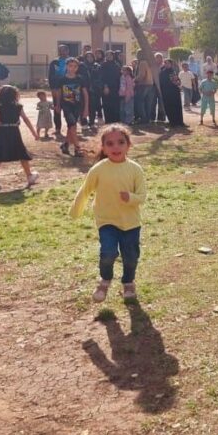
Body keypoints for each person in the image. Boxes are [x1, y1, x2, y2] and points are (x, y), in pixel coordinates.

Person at [69, 124, 147, 302]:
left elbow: (142, 196)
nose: (115, 147)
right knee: (108, 253)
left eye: (121, 142)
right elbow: (85, 190)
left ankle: (128, 283)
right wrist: (75, 211)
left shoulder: (135, 169)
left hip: (130, 222)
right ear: (103, 148)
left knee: (131, 257)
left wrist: (131, 197)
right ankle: (105, 281)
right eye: (110, 144)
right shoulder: (99, 169)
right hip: (106, 221)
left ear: (128, 145)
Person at [0, 84, 39, 192]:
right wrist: (34, 133)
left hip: (2, 132)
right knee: (22, 153)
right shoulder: (18, 106)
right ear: (14, 95)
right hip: (14, 131)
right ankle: (29, 176)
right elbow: (26, 119)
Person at [58, 58, 89, 157]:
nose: (72, 68)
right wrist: (57, 105)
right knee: (72, 125)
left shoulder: (80, 79)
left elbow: (85, 94)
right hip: (66, 105)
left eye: (75, 66)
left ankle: (66, 144)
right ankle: (77, 148)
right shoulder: (62, 79)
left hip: (77, 106)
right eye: (70, 66)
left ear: (77, 68)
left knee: (71, 126)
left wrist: (86, 108)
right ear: (66, 66)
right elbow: (59, 93)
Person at [48, 44, 70, 136]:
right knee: (57, 108)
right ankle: (57, 128)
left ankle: (71, 127)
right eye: (60, 50)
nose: (62, 52)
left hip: (68, 89)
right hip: (57, 88)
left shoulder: (72, 61)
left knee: (69, 108)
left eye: (64, 50)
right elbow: (50, 76)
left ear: (67, 51)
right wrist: (52, 88)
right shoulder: (54, 62)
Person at [158, 58, 185, 128]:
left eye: (168, 63)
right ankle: (172, 122)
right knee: (169, 107)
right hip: (167, 93)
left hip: (175, 92)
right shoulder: (162, 72)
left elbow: (177, 80)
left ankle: (180, 122)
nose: (166, 64)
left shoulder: (174, 71)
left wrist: (178, 83)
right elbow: (162, 83)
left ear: (171, 64)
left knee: (177, 106)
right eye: (165, 63)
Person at [100, 50, 122, 124]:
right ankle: (108, 121)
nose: (109, 57)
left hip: (116, 88)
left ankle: (116, 121)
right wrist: (105, 86)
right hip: (107, 88)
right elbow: (102, 77)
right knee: (107, 105)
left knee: (115, 105)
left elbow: (119, 76)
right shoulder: (103, 65)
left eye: (110, 55)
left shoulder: (117, 65)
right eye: (107, 55)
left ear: (113, 56)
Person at [133, 53, 156, 125]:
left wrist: (134, 80)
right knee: (148, 103)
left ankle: (143, 119)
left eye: (138, 54)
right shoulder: (150, 63)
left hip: (143, 84)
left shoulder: (142, 63)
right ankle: (147, 119)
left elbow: (141, 75)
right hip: (150, 84)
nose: (137, 56)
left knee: (139, 102)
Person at [82, 51, 103, 126]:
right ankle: (84, 122)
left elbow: (100, 77)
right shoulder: (82, 66)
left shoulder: (97, 66)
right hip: (84, 88)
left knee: (93, 106)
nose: (89, 58)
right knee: (83, 106)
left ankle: (92, 122)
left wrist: (97, 86)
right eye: (88, 57)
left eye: (91, 56)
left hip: (94, 89)